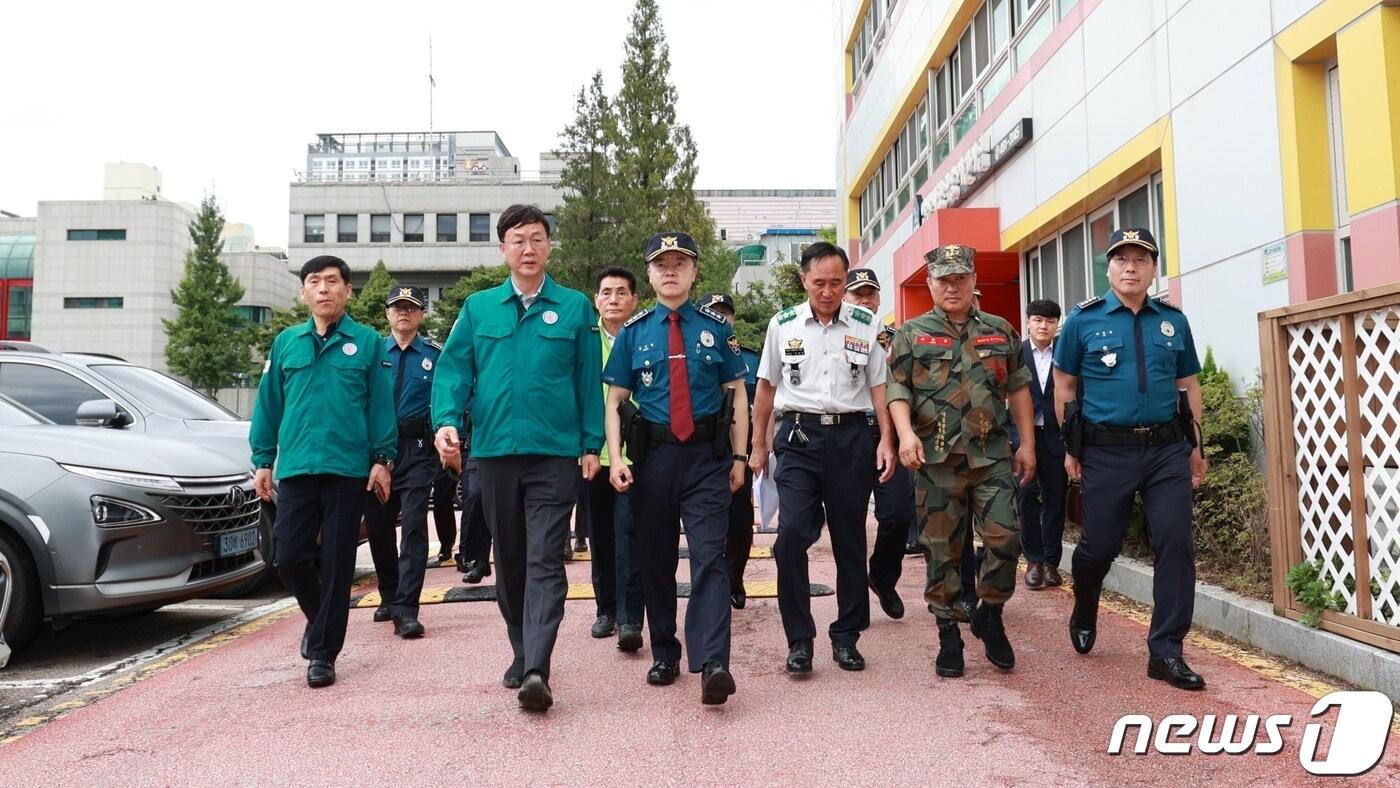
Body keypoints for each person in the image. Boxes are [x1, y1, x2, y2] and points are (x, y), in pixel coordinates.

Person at [431, 205, 603, 712]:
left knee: (545, 557)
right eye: (518, 240)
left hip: (554, 454)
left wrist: (591, 444)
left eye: (537, 239)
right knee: (509, 564)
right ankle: (520, 648)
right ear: (503, 248)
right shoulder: (479, 308)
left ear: (549, 246)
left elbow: (586, 382)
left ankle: (537, 668)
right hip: (495, 454)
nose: (528, 248)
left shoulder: (573, 308)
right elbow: (454, 369)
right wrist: (446, 420)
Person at [1052, 227, 1208, 691]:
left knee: (1176, 543)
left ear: (1153, 268)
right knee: (1099, 546)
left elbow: (1189, 387)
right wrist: (1070, 448)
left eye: (1141, 259)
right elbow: (1063, 386)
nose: (1131, 267)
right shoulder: (1083, 321)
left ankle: (1166, 652)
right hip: (1106, 451)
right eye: (1122, 259)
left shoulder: (1173, 322)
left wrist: (1196, 448)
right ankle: (1085, 603)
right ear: (1109, 267)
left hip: (1165, 450)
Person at [603, 232, 749, 706]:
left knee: (710, 557)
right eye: (661, 264)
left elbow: (738, 395)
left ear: (693, 272)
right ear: (649, 274)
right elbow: (615, 401)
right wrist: (617, 457)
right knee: (656, 560)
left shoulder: (716, 330)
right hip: (654, 460)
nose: (670, 270)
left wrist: (741, 456)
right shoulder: (634, 331)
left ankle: (713, 663)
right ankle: (664, 650)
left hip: (707, 459)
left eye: (679, 263)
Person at [886, 244, 1035, 680]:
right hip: (936, 460)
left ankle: (990, 611)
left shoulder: (1000, 330)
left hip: (991, 457)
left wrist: (1027, 443)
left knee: (1006, 538)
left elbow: (1020, 389)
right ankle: (948, 633)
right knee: (942, 551)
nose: (952, 286)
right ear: (930, 283)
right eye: (942, 279)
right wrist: (906, 435)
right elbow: (897, 391)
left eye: (960, 278)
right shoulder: (910, 334)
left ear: (974, 281)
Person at [250, 255, 396, 688]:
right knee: (289, 558)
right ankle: (320, 622)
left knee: (336, 561)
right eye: (315, 282)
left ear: (348, 291)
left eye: (333, 282)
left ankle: (323, 653)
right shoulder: (286, 343)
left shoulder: (367, 342)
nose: (324, 289)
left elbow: (379, 406)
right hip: (295, 467)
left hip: (348, 469)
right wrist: (262, 459)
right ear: (303, 292)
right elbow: (269, 404)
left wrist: (382, 459)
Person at [750, 243, 895, 675]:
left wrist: (885, 439)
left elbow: (880, 389)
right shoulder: (783, 324)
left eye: (836, 283)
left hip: (851, 438)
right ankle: (799, 639)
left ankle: (847, 635)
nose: (828, 292)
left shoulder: (866, 324)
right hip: (797, 437)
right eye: (819, 283)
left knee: (850, 539)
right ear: (804, 281)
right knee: (791, 535)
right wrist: (758, 445)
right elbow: (765, 389)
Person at [364, 286, 442, 639]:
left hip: (416, 451)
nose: (403, 314)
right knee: (379, 528)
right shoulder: (371, 353)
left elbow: (444, 399)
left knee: (413, 527)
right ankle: (389, 594)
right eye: (397, 307)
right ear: (387, 314)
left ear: (421, 315)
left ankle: (408, 608)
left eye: (411, 308)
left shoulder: (434, 355)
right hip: (376, 452)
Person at [842, 268, 914, 621]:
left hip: (893, 436)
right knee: (850, 521)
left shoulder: (897, 338)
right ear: (845, 298)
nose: (866, 300)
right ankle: (855, 600)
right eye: (858, 294)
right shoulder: (835, 336)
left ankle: (883, 578)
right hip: (851, 435)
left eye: (871, 293)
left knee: (898, 514)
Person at [587, 266, 646, 651]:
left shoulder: (645, 335)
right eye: (606, 293)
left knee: (631, 536)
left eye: (621, 293)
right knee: (600, 535)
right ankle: (605, 608)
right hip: (593, 454)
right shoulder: (583, 340)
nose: (613, 300)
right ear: (596, 300)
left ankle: (630, 617)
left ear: (634, 300)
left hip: (636, 454)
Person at [699, 292, 761, 610]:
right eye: (713, 312)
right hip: (706, 446)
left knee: (740, 521)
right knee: (708, 520)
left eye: (726, 312)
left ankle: (734, 577)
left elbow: (761, 403)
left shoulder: (750, 358)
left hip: (740, 448)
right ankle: (714, 583)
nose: (721, 317)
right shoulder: (696, 352)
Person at [1012, 299, 1067, 590]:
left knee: (1056, 500)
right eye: (1037, 320)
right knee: (1026, 498)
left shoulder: (1067, 352)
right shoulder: (1016, 354)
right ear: (1029, 322)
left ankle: (1051, 563)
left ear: (1057, 323)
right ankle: (1033, 561)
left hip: (1056, 437)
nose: (1043, 326)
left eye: (1049, 321)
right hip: (1025, 438)